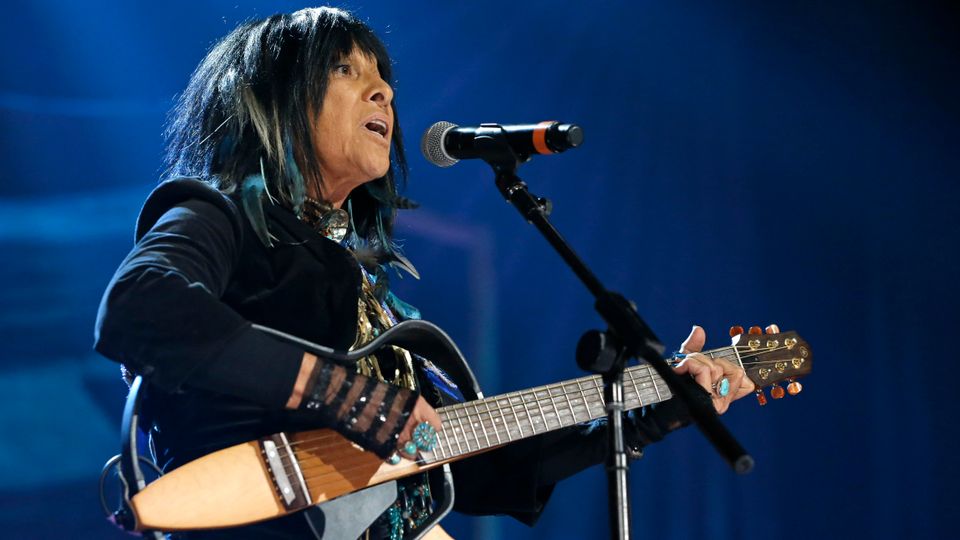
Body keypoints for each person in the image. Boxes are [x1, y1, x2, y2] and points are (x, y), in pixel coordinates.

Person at [94, 7, 757, 539]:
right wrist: (345, 395)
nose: (383, 89)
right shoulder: (219, 214)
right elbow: (141, 307)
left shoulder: (373, 308)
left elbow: (485, 467)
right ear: (276, 98)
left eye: (383, 76)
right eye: (346, 70)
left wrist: (650, 415)